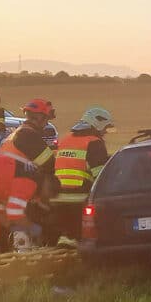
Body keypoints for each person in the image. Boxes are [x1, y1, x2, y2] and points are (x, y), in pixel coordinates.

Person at [50, 106, 113, 249]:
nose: (105, 132)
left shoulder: (66, 140)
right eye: (106, 128)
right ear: (98, 124)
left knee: (66, 237)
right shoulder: (94, 142)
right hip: (79, 196)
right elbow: (100, 175)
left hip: (58, 197)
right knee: (84, 237)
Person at [0, 98, 56, 175]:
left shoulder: (21, 131)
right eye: (46, 119)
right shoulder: (27, 134)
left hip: (10, 176)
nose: (46, 124)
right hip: (18, 180)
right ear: (39, 117)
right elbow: (49, 164)